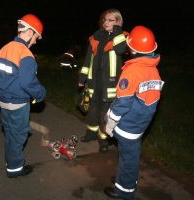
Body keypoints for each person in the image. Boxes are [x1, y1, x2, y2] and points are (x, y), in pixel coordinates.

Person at [103, 26, 164, 200]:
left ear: (132, 49)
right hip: (141, 123)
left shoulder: (132, 71)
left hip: (128, 125)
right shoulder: (153, 70)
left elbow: (122, 103)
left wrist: (111, 122)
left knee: (128, 157)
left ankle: (124, 190)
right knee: (131, 155)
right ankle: (126, 180)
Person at [0, 14, 46, 178]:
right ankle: (15, 168)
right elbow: (27, 82)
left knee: (9, 133)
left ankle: (10, 161)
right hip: (18, 103)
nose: (36, 41)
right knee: (18, 136)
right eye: (36, 37)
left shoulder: (3, 49)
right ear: (29, 33)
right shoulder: (26, 54)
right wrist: (41, 93)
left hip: (4, 102)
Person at [78, 9, 128, 153]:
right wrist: (82, 77)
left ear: (118, 22)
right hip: (94, 83)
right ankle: (91, 134)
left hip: (110, 85)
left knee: (105, 114)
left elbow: (120, 50)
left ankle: (104, 140)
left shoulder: (122, 37)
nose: (105, 22)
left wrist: (117, 29)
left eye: (110, 20)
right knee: (93, 111)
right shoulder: (96, 37)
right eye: (105, 19)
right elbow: (88, 59)